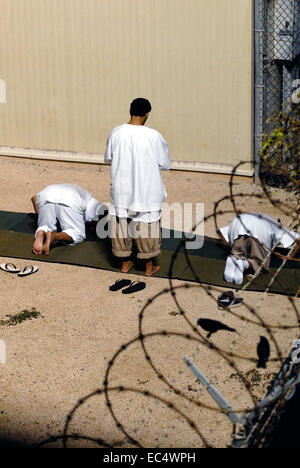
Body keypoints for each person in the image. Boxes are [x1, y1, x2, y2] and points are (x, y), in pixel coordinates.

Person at [104, 97, 170, 276]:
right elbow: (164, 163)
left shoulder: (116, 132)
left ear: (129, 111)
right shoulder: (153, 136)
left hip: (122, 189)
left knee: (121, 223)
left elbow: (108, 157)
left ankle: (125, 263)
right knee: (147, 225)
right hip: (146, 190)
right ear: (147, 113)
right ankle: (149, 266)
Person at [219, 212, 300, 285]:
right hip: (261, 229)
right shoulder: (279, 228)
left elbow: (221, 232)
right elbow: (298, 239)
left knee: (239, 252)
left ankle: (234, 258)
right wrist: (289, 257)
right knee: (260, 264)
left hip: (238, 221)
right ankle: (244, 264)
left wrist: (230, 247)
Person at [31, 183, 105, 255]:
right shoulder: (96, 206)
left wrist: (41, 218)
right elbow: (94, 219)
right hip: (70, 200)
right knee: (76, 233)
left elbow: (34, 198)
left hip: (46, 195)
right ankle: (54, 236)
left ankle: (42, 231)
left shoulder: (85, 194)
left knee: (45, 225)